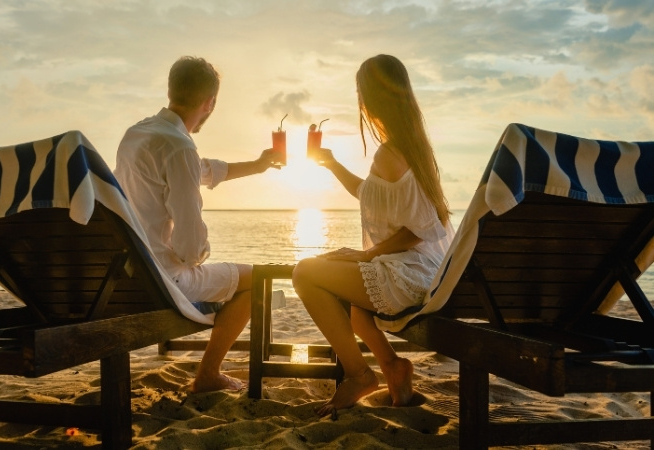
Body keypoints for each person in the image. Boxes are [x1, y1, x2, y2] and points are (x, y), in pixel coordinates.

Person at [292, 54, 455, 416]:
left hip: (413, 272)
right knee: (356, 307)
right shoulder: (411, 147)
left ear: (368, 100)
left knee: (305, 273)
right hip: (424, 267)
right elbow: (372, 194)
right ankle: (393, 368)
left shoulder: (391, 153)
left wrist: (369, 254)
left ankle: (359, 375)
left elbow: (421, 229)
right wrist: (332, 164)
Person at [114, 56, 279, 393]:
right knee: (258, 280)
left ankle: (210, 372)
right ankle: (208, 375)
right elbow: (189, 249)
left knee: (239, 276)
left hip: (132, 272)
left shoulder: (138, 134)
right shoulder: (178, 146)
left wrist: (259, 166)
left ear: (172, 90)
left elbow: (202, 170)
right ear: (210, 103)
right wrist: (203, 252)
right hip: (166, 280)